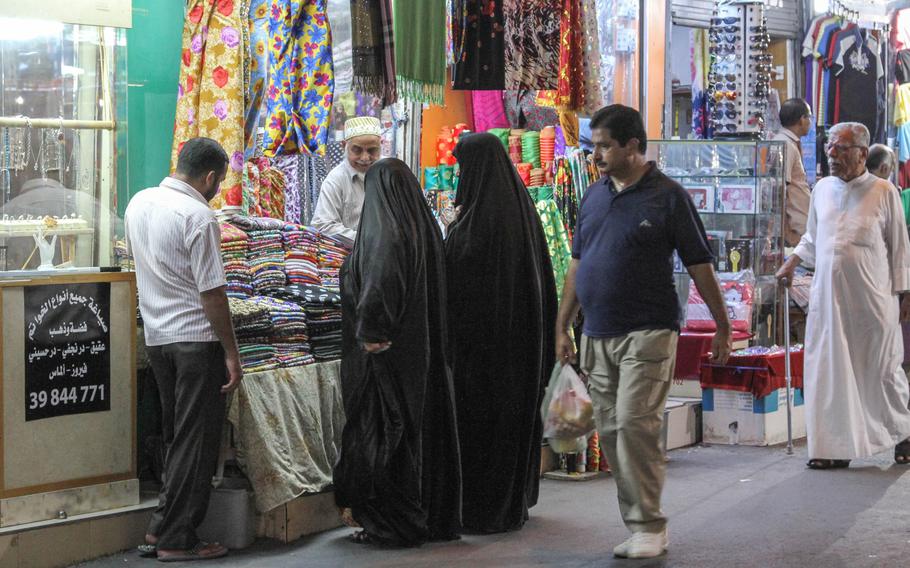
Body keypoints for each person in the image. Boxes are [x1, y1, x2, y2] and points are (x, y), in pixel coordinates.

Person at [554, 104, 732, 559]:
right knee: (612, 430)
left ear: (632, 146)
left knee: (636, 423)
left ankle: (651, 524)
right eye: (593, 145)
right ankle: (638, 522)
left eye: (604, 146)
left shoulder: (668, 196)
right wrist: (562, 325)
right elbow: (578, 264)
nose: (596, 154)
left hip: (649, 331)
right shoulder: (594, 195)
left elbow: (700, 265)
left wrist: (722, 327)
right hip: (597, 332)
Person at [333, 158, 462, 546]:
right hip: (420, 351)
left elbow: (379, 280)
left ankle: (392, 522)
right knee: (419, 429)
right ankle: (428, 516)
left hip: (387, 354)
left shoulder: (384, 232)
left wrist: (373, 331)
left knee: (386, 432)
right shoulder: (422, 228)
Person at [125, 137, 243, 562]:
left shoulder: (138, 202)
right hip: (196, 339)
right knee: (196, 441)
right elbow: (212, 293)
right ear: (210, 177)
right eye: (219, 181)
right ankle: (178, 539)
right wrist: (231, 351)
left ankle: (161, 529)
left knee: (179, 437)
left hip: (158, 338)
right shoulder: (199, 216)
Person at [776, 122, 910, 469]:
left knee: (881, 371)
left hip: (873, 301)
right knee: (830, 372)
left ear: (862, 154)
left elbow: (900, 249)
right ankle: (834, 448)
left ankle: (903, 433)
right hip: (829, 301)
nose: (832, 154)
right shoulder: (821, 189)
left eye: (841, 148)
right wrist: (791, 262)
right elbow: (811, 237)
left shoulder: (884, 192)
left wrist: (905, 294)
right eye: (829, 148)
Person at [445, 133, 557, 533]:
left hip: (483, 355)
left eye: (462, 169)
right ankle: (513, 503)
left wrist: (448, 235)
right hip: (521, 350)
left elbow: (458, 278)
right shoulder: (521, 212)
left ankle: (484, 511)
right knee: (511, 425)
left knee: (482, 427)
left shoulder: (478, 225)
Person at [310, 116, 382, 243]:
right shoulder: (336, 179)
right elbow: (323, 225)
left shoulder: (390, 174)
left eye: (372, 150)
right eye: (357, 150)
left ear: (380, 146)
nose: (365, 158)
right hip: (350, 258)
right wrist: (369, 243)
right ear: (344, 146)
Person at [773, 98, 813, 247]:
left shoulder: (788, 142)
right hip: (793, 230)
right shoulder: (786, 145)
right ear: (802, 119)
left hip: (797, 227)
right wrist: (786, 231)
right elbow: (780, 190)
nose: (810, 122)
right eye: (809, 117)